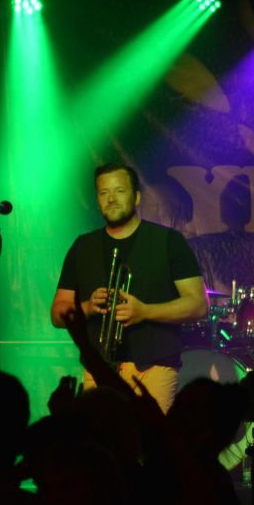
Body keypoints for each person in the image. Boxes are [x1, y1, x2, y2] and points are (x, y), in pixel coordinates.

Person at [51, 162, 208, 413]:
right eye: (104, 193)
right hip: (98, 369)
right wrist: (87, 307)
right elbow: (57, 313)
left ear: (136, 197)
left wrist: (145, 312)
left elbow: (198, 305)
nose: (111, 199)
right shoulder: (82, 247)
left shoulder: (169, 242)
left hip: (154, 369)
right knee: (99, 438)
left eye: (119, 191)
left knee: (149, 438)